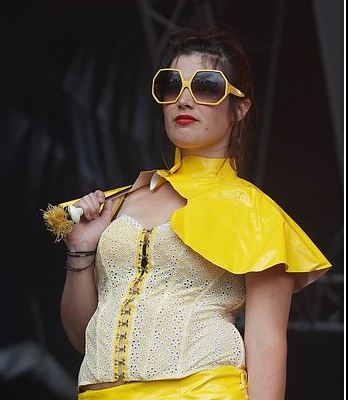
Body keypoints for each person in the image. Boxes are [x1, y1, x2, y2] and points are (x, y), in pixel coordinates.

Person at [55, 24, 331, 400]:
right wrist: (82, 249)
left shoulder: (255, 212)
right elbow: (80, 335)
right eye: (172, 85)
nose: (184, 100)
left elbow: (266, 342)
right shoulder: (120, 202)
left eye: (207, 87)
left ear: (239, 108)